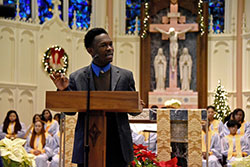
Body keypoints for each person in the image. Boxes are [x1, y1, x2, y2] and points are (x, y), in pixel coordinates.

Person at [50, 27, 137, 167]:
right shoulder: (77, 77)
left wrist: (137, 105)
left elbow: (134, 109)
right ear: (91, 51)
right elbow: (71, 111)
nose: (109, 48)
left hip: (118, 145)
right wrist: (63, 90)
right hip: (88, 144)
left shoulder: (126, 76)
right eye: (103, 45)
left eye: (110, 44)